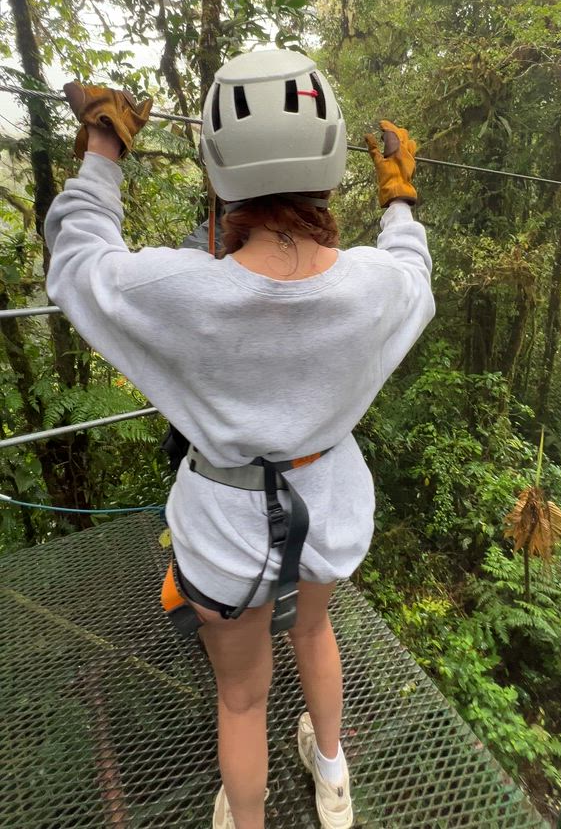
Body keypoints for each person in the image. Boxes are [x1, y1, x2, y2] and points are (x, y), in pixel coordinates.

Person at [44, 48, 435, 829]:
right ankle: (332, 777)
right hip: (326, 512)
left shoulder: (176, 289)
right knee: (316, 629)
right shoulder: (374, 286)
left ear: (220, 172)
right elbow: (412, 268)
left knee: (242, 696)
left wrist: (104, 150)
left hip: (224, 536)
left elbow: (80, 261)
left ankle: (248, 818)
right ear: (327, 160)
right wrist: (398, 196)